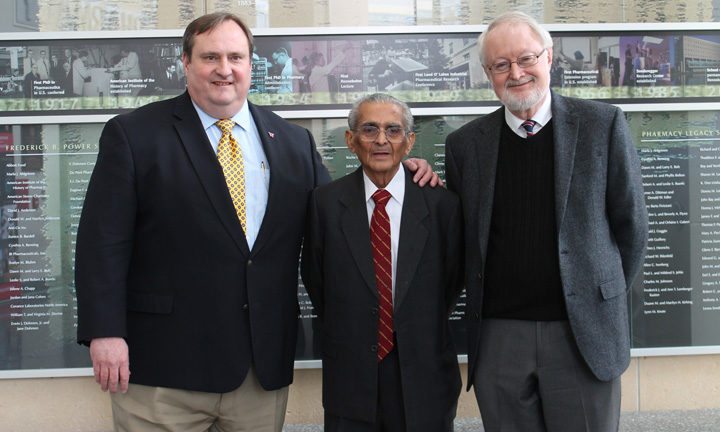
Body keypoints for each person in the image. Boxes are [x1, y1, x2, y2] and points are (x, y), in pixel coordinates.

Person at [75, 12, 437, 432]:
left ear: (251, 64)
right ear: (186, 63)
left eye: (235, 57)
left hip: (258, 374)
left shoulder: (292, 142)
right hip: (162, 371)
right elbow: (102, 243)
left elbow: (342, 215)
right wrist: (105, 333)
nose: (224, 69)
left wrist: (396, 171)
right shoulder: (134, 135)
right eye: (210, 57)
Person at [444, 11, 648, 432]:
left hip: (580, 335)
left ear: (549, 57)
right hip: (500, 338)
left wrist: (598, 295)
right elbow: (461, 236)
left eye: (526, 58)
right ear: (488, 72)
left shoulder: (602, 125)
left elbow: (632, 227)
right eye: (501, 65)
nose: (515, 73)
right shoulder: (464, 145)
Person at [302, 93, 462, 432]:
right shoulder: (324, 205)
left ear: (409, 142)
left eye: (393, 130)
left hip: (424, 379)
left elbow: (451, 281)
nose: (381, 140)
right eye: (369, 129)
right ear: (350, 140)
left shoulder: (443, 206)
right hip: (351, 378)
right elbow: (317, 282)